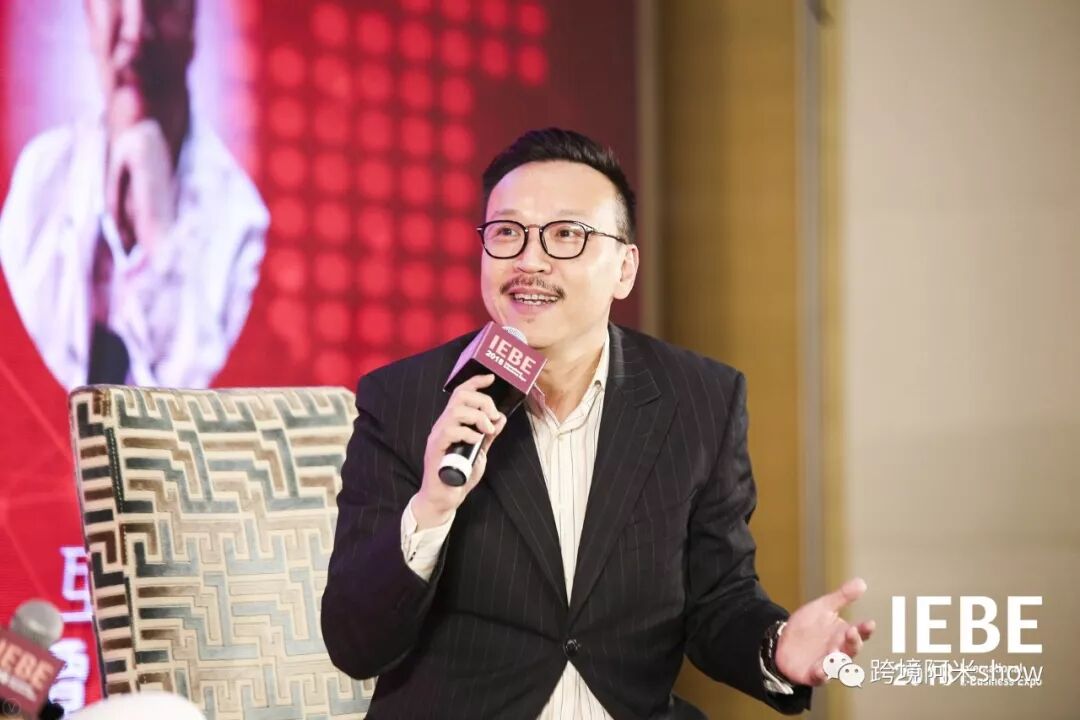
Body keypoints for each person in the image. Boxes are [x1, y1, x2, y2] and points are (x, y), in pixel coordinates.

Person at [322, 128, 875, 719]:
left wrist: (776, 648)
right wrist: (432, 507)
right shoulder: (405, 400)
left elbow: (719, 600)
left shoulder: (701, 400)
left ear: (624, 269)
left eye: (566, 234)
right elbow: (356, 644)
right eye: (506, 233)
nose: (529, 261)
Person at [0, 0, 267, 390]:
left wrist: (162, 243)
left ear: (193, 21)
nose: (135, 30)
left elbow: (205, 402)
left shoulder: (243, 221)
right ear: (89, 17)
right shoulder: (40, 178)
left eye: (161, 2)